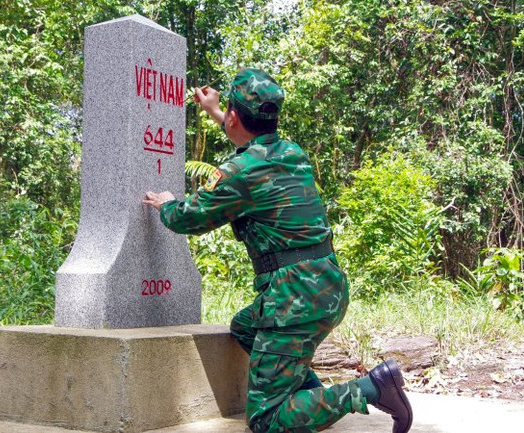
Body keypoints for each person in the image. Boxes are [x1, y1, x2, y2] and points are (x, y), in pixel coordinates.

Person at [142, 68, 413, 433]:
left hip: (293, 300)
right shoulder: (290, 152)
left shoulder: (240, 173)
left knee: (267, 421)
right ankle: (315, 405)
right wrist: (215, 111)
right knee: (245, 327)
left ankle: (370, 388)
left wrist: (168, 203)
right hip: (326, 288)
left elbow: (189, 219)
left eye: (229, 114)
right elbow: (252, 148)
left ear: (236, 116)